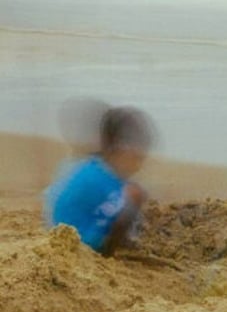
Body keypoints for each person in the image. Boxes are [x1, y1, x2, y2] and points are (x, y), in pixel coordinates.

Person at [44, 106, 155, 256]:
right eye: (138, 158)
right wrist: (131, 205)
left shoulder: (92, 165)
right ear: (120, 152)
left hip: (57, 227)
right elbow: (113, 212)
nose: (139, 167)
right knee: (133, 197)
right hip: (80, 242)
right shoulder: (102, 182)